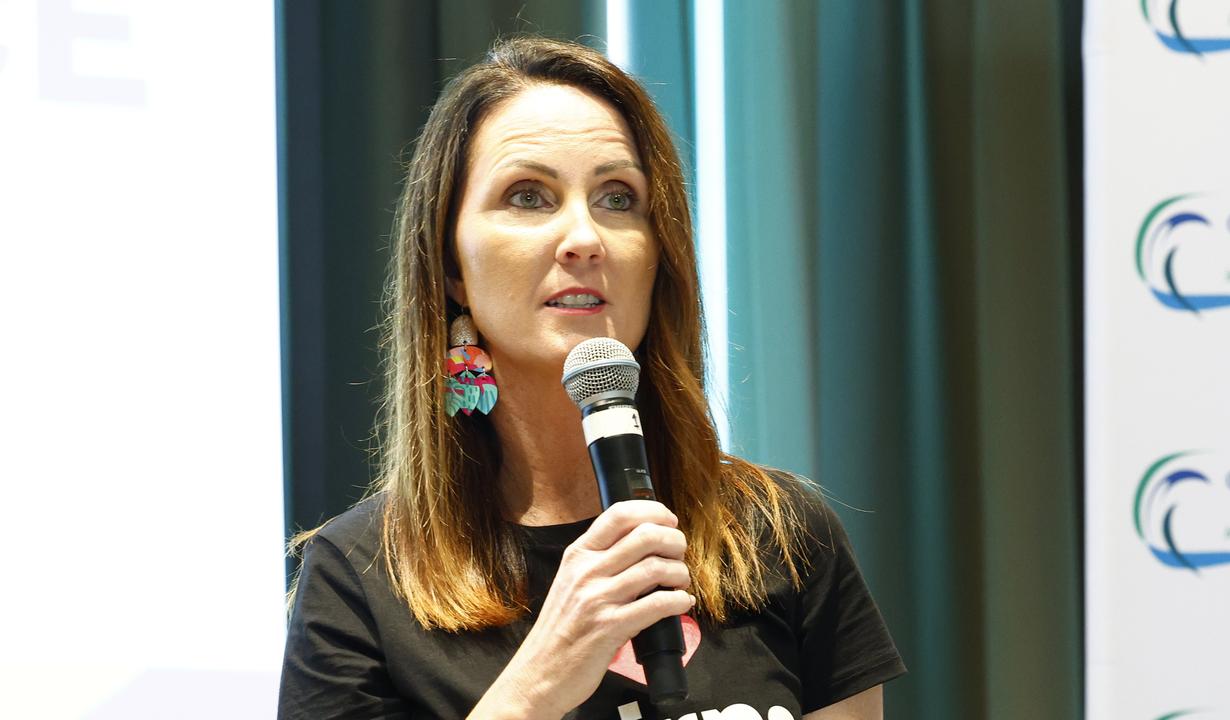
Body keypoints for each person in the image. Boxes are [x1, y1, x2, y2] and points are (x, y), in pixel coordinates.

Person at [278, 36, 905, 720]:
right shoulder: (359, 578)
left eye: (616, 198)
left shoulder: (782, 536)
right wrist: (544, 678)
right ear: (452, 265)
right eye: (528, 196)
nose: (584, 237)